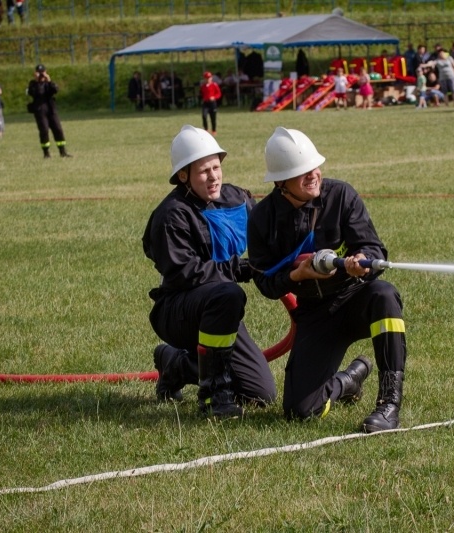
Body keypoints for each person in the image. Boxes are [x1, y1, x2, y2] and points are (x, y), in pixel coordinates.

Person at [247, 127, 408, 433]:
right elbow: (266, 283)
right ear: (281, 182)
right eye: (302, 172)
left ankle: (388, 406)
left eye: (314, 167)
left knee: (384, 294)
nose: (313, 175)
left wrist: (363, 262)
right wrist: (297, 275)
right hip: (315, 314)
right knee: (300, 411)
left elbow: (374, 248)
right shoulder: (262, 219)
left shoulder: (341, 196)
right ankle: (348, 380)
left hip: (354, 299)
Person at [143, 125, 277, 417]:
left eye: (216, 167)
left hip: (220, 310)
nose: (214, 176)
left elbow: (268, 232)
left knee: (261, 394)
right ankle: (214, 395)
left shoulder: (237, 198)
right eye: (204, 171)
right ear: (183, 176)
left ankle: (176, 365)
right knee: (229, 293)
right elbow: (184, 273)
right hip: (179, 310)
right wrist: (239, 269)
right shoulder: (172, 215)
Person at [27, 64, 70, 158]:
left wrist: (49, 80)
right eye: (39, 72)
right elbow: (31, 93)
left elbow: (55, 90)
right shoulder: (33, 84)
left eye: (43, 72)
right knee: (44, 131)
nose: (41, 74)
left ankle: (62, 151)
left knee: (58, 129)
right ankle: (46, 153)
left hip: (51, 110)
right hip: (40, 111)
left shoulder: (49, 83)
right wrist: (37, 81)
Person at [199, 71, 221, 135]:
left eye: (209, 78)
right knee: (204, 115)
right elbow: (201, 94)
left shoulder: (214, 85)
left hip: (212, 103)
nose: (208, 79)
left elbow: (219, 93)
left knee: (213, 117)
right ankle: (206, 129)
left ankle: (214, 130)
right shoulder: (203, 86)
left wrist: (214, 97)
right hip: (206, 103)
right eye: (206, 78)